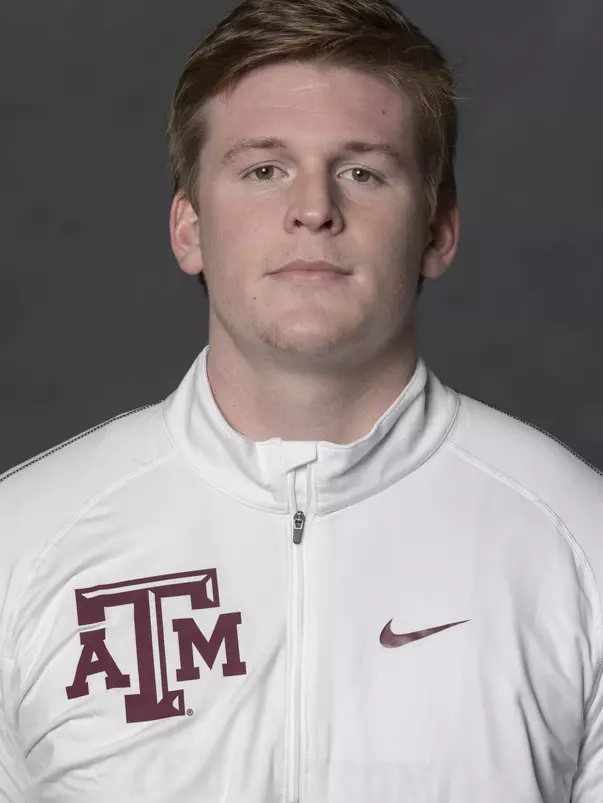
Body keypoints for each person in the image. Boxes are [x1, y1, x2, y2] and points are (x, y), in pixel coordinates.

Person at [1, 0, 602, 800]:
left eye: (362, 170)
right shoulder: (24, 541)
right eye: (262, 169)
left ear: (437, 230)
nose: (313, 208)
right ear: (188, 228)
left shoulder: (579, 542)